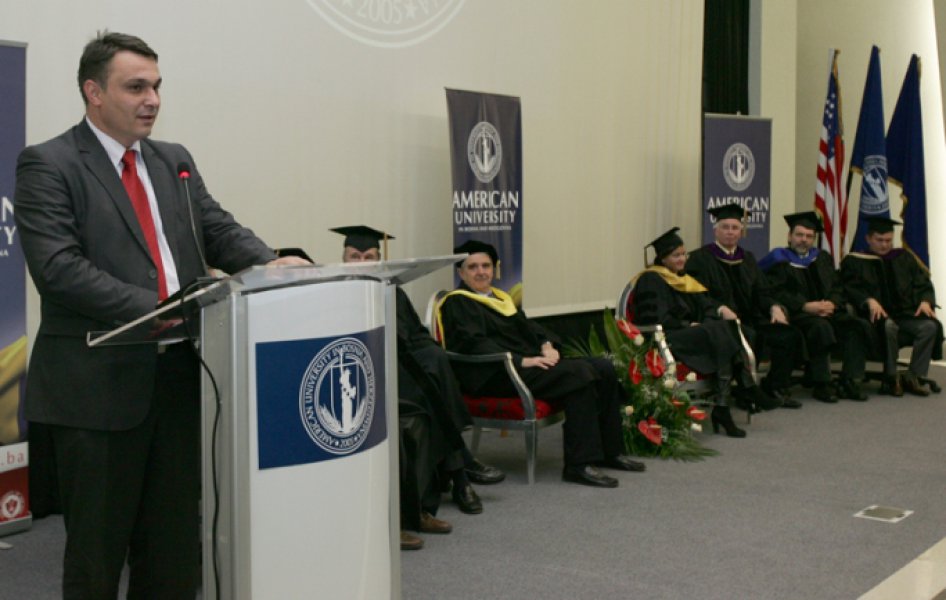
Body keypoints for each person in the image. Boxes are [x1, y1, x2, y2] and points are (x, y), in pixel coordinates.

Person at [13, 32, 309, 598]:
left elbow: (216, 229)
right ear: (94, 92)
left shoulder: (173, 160)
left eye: (156, 86)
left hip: (180, 379)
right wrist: (157, 309)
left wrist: (271, 263)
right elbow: (58, 268)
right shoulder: (49, 164)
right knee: (97, 556)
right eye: (136, 87)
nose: (152, 100)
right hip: (98, 388)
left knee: (173, 549)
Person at [437, 240, 645, 488]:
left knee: (603, 367)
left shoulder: (500, 298)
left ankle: (611, 452)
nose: (481, 272)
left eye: (486, 265)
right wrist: (523, 360)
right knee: (578, 374)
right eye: (473, 267)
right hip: (495, 373)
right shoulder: (457, 303)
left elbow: (530, 328)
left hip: (525, 366)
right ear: (461, 273)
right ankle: (578, 465)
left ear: (494, 269)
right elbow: (473, 344)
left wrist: (546, 345)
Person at [332, 226, 505, 518]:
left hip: (408, 367)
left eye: (369, 256)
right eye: (355, 256)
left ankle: (459, 473)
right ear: (344, 258)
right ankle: (461, 471)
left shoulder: (392, 290)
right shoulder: (336, 295)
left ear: (380, 259)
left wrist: (429, 353)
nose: (362, 262)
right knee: (429, 385)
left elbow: (417, 334)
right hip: (371, 374)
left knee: (435, 362)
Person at [630, 227, 775, 438]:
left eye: (684, 254)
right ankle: (745, 388)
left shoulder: (684, 279)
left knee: (728, 330)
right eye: (676, 255)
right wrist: (688, 324)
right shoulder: (651, 279)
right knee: (721, 333)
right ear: (662, 258)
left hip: (695, 335)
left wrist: (709, 318)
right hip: (669, 337)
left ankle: (723, 407)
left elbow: (706, 305)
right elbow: (653, 318)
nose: (682, 259)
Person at [685, 204, 801, 409]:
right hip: (721, 322)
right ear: (716, 231)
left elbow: (762, 291)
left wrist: (774, 307)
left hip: (752, 317)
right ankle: (745, 391)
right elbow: (697, 295)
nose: (730, 232)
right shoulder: (700, 258)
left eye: (735, 228)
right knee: (748, 334)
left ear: (741, 232)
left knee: (788, 335)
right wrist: (719, 309)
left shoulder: (747, 258)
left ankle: (774, 386)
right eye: (725, 227)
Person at [758, 211, 870, 402]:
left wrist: (832, 303)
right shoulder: (778, 260)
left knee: (857, 326)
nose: (804, 240)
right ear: (789, 236)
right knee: (820, 327)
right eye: (799, 235)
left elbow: (837, 286)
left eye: (809, 236)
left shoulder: (822, 258)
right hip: (799, 314)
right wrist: (804, 306)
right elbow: (775, 291)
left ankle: (850, 380)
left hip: (827, 311)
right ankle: (822, 383)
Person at [839, 216, 942, 396]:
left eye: (888, 240)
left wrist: (926, 300)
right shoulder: (854, 261)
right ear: (868, 238)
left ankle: (913, 375)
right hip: (875, 318)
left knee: (929, 327)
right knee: (889, 326)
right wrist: (868, 300)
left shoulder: (904, 258)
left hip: (905, 315)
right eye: (879, 240)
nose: (884, 245)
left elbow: (922, 283)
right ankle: (891, 377)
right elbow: (848, 287)